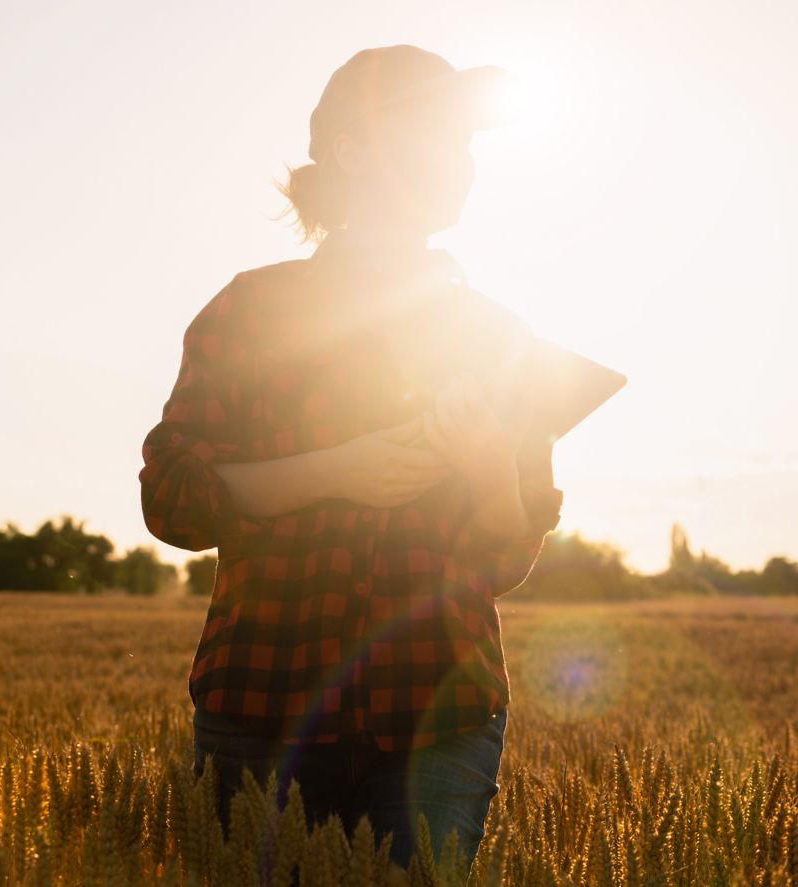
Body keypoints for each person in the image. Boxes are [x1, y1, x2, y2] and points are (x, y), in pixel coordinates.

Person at [137, 45, 562, 873]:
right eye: (434, 131)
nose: (459, 159)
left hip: (440, 714)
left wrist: (484, 463)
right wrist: (337, 469)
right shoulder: (252, 310)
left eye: (465, 139)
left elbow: (504, 560)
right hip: (263, 709)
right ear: (355, 151)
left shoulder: (502, 336)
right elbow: (172, 500)